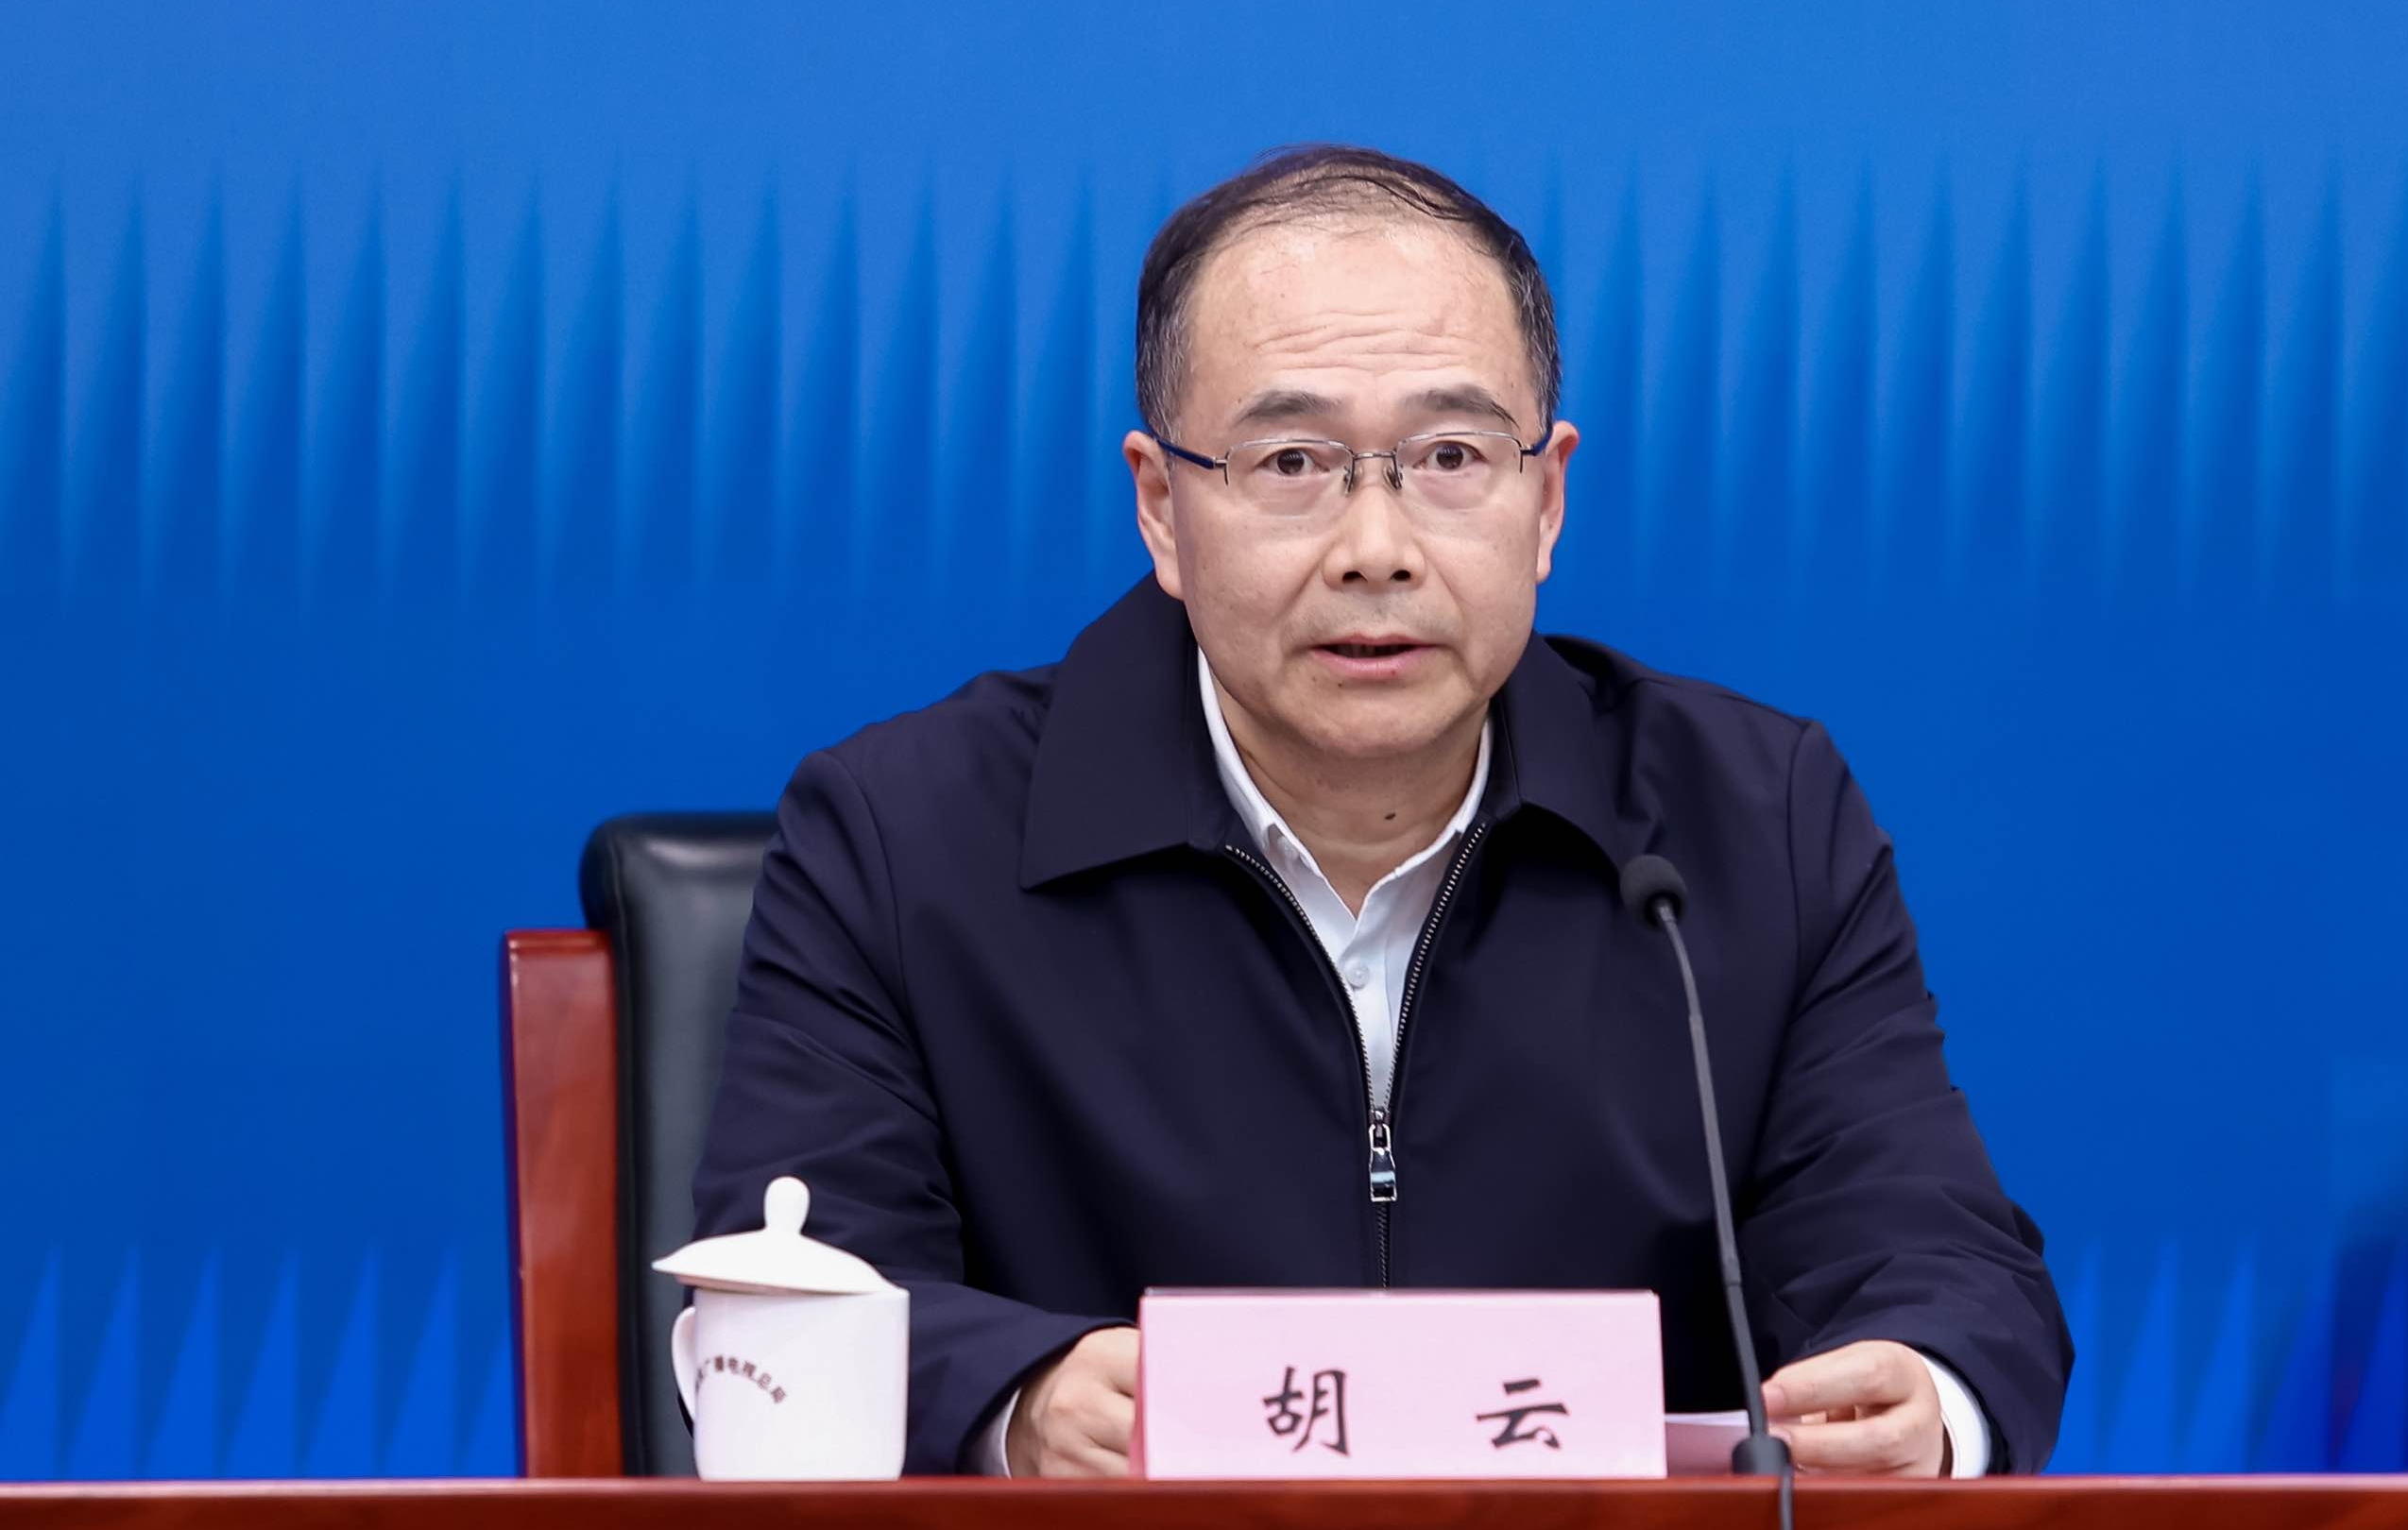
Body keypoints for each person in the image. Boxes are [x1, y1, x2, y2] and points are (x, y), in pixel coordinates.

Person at [692, 144, 2071, 1479]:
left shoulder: (1752, 822)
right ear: (1162, 508)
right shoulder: (901, 837)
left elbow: (1941, 1258)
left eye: (1451, 456)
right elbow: (789, 1300)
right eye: (1292, 463)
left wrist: (1927, 1394)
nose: (1376, 549)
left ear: (1546, 498)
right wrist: (1022, 1396)